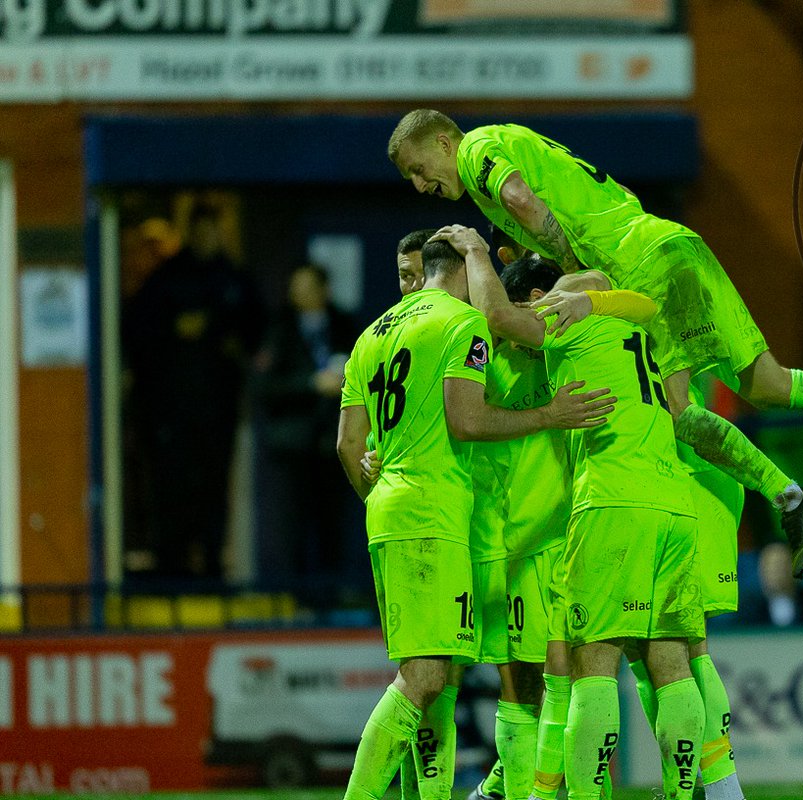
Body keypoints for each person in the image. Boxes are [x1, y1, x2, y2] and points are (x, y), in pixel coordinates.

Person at [387, 110, 803, 578]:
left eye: (419, 169)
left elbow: (520, 201)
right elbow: (525, 221)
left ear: (442, 141)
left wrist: (572, 264)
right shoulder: (516, 146)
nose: (420, 186)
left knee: (678, 409)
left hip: (638, 263)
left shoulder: (477, 149)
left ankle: (792, 500)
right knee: (769, 384)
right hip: (672, 242)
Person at [336, 237, 615, 800]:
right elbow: (466, 419)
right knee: (427, 678)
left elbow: (348, 444)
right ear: (467, 269)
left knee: (439, 677)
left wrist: (379, 490)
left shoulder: (373, 332)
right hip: (437, 514)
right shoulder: (462, 325)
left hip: (391, 510)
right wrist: (549, 415)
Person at [440, 222, 707, 800]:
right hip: (676, 505)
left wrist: (477, 252)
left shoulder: (563, 318)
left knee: (594, 666)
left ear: (540, 300)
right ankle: (685, 794)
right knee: (671, 663)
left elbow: (495, 318)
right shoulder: (631, 325)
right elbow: (632, 296)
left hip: (614, 501)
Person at [123, 202, 263, 580]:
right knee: (172, 488)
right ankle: (173, 566)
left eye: (210, 230)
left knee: (214, 488)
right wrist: (173, 332)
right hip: (171, 409)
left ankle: (213, 565)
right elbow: (135, 333)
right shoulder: (167, 278)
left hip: (219, 407)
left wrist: (231, 343)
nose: (205, 238)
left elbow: (256, 335)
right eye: (198, 231)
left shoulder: (233, 279)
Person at [253, 263, 360, 596]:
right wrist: (312, 384)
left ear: (324, 290)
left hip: (334, 441)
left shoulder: (345, 325)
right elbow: (265, 386)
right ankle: (297, 600)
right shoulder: (278, 328)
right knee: (292, 527)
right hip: (292, 445)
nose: (301, 294)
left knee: (333, 524)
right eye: (296, 288)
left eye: (309, 287)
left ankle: (332, 594)